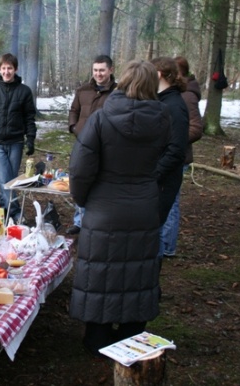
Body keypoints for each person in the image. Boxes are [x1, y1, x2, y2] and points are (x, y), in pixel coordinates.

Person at [68, 60, 171, 357]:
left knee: (102, 273)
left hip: (105, 207)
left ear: (123, 81)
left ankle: (98, 336)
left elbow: (81, 169)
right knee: (137, 272)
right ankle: (131, 333)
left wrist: (83, 199)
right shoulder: (163, 119)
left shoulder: (101, 118)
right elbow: (166, 157)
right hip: (143, 205)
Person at [0, 53, 37, 221]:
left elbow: (29, 118)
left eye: (9, 68)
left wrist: (30, 139)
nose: (6, 71)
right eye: (3, 68)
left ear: (15, 69)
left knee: (10, 179)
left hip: (16, 142)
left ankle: (4, 210)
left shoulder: (24, 91)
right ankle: (16, 212)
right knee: (5, 179)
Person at [65, 55, 117, 235]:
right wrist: (73, 127)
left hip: (105, 145)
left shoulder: (117, 93)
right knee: (79, 180)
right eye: (95, 70)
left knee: (100, 182)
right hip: (82, 143)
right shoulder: (83, 90)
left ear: (111, 70)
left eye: (102, 70)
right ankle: (79, 221)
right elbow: (74, 110)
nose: (98, 74)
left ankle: (96, 221)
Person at [158, 56, 203, 257]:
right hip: (164, 163)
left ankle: (166, 247)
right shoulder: (165, 99)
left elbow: (193, 130)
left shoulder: (180, 100)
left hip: (171, 164)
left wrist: (155, 171)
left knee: (169, 206)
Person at [151, 56, 189, 257]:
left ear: (158, 74)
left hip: (164, 180)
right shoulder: (163, 100)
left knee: (154, 230)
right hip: (157, 179)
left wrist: (153, 174)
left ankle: (151, 275)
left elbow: (176, 151)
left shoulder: (174, 105)